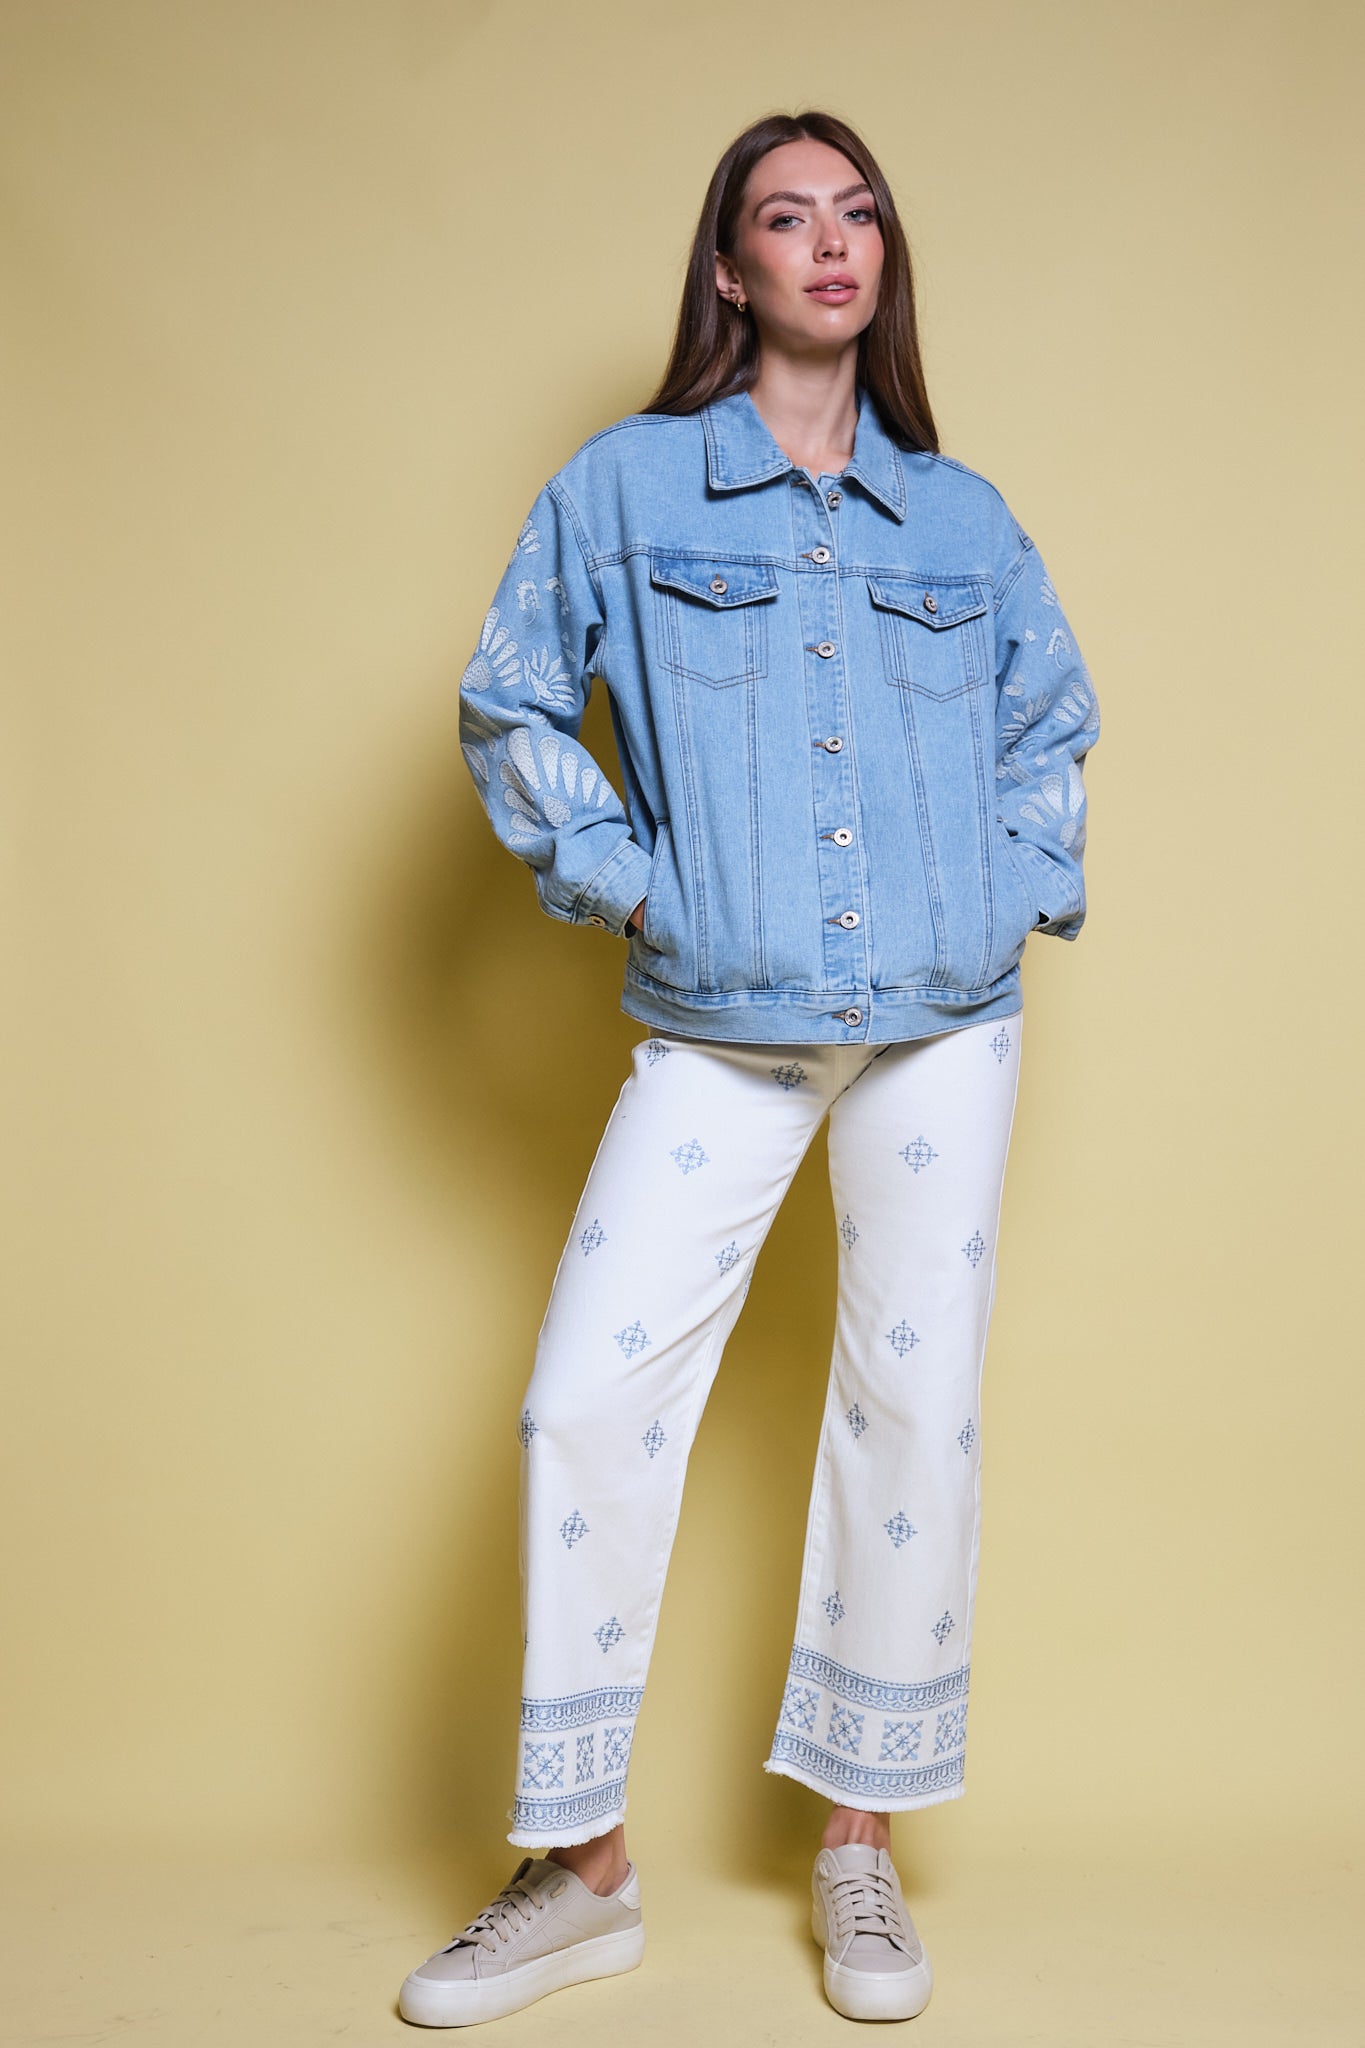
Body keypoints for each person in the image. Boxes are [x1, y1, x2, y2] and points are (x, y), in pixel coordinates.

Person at [398, 107, 1098, 2029]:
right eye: (786, 218)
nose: (830, 242)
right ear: (729, 268)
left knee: (911, 1406)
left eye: (856, 212)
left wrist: (1013, 888)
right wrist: (633, 885)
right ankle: (583, 1869)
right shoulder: (624, 489)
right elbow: (508, 703)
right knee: (582, 1401)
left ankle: (859, 1844)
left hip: (943, 1022)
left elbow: (1049, 725)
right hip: (722, 1026)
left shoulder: (959, 519)